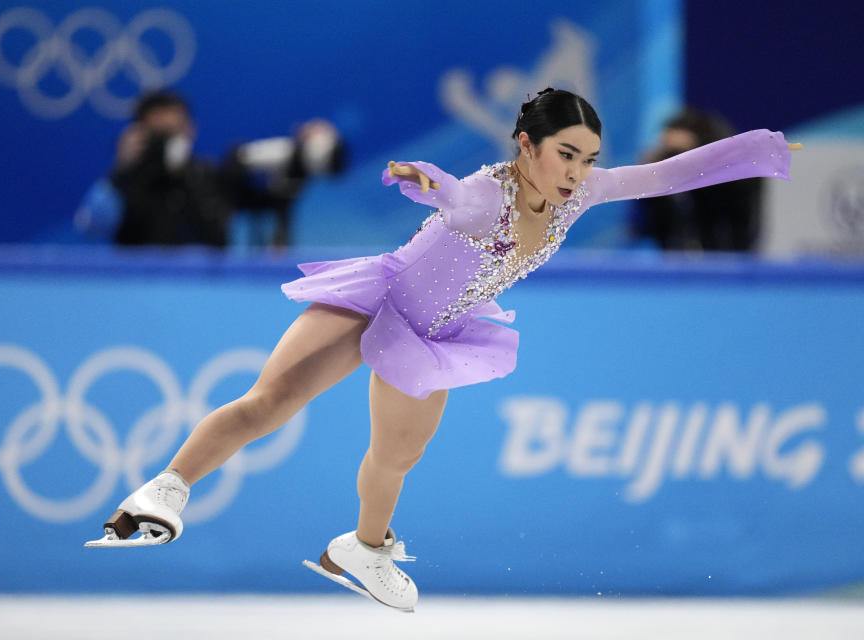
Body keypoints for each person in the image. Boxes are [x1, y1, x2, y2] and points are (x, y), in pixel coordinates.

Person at [85, 89, 800, 611]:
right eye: (564, 154)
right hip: (378, 296)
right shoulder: (486, 196)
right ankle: (162, 493)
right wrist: (420, 178)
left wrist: (762, 148)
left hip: (433, 332)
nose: (578, 171)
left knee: (397, 458)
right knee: (268, 402)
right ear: (527, 145)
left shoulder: (580, 195)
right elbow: (450, 193)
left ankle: (361, 549)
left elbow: (669, 174)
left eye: (587, 159)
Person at [74, 91, 230, 246]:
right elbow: (91, 228)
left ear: (191, 129)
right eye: (159, 135)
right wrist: (121, 170)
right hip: (138, 270)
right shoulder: (126, 178)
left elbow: (225, 239)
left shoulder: (206, 174)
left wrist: (187, 177)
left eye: (173, 132)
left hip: (194, 270)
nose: (166, 143)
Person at [632, 108, 763, 250]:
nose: (676, 159)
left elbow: (740, 226)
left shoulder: (737, 172)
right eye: (671, 153)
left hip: (730, 250)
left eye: (681, 153)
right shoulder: (666, 180)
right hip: (678, 253)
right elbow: (650, 225)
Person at [220, 118, 346, 247]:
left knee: (284, 208)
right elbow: (240, 156)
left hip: (275, 196)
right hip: (240, 187)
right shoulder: (283, 151)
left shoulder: (303, 170)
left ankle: (280, 250)